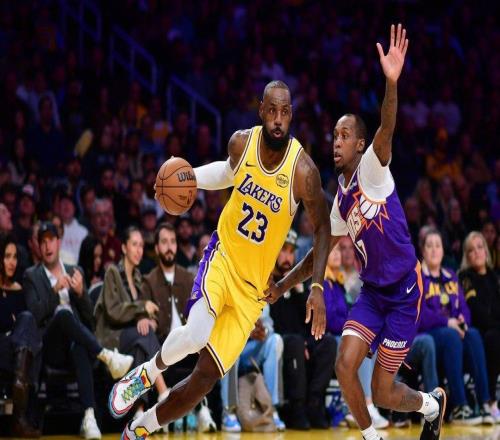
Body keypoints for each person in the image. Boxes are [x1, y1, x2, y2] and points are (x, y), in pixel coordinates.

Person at [109, 79, 331, 438]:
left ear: (291, 115)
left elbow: (323, 230)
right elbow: (226, 174)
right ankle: (147, 373)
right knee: (197, 333)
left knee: (204, 380)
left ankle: (138, 429)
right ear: (261, 110)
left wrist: (313, 286)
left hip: (252, 292)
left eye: (284, 112)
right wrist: (185, 179)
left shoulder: (303, 172)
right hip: (223, 257)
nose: (277, 119)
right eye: (271, 111)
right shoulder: (242, 143)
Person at [265, 25, 446, 440]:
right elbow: (318, 252)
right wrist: (283, 285)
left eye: (345, 136)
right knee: (344, 365)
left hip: (404, 293)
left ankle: (431, 405)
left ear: (361, 145)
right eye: (334, 136)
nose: (336, 142)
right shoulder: (340, 202)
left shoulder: (373, 168)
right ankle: (371, 437)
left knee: (382, 391)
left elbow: (387, 125)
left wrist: (391, 82)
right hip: (373, 294)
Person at [23, 222, 134, 440]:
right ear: (38, 245)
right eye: (43, 241)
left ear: (59, 242)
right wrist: (55, 291)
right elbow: (34, 315)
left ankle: (89, 417)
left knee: (80, 347)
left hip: (75, 345)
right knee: (64, 315)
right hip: (50, 347)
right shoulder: (31, 275)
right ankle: (107, 356)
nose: (47, 246)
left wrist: (81, 293)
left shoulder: (75, 271)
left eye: (51, 240)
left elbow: (90, 319)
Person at [419, 228, 493, 425]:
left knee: (473, 334)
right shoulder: (418, 277)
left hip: (453, 330)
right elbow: (419, 314)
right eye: (429, 246)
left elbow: (464, 308)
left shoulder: (451, 276)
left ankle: (485, 402)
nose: (434, 250)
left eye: (437, 245)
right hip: (429, 334)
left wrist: (462, 320)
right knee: (451, 337)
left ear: (443, 250)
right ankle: (460, 406)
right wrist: (447, 322)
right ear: (423, 251)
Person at [94, 227, 168, 421]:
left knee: (141, 345)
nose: (139, 250)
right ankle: (163, 392)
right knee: (144, 335)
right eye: (134, 245)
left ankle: (138, 411)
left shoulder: (138, 278)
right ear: (124, 248)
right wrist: (142, 308)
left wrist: (149, 320)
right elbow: (114, 311)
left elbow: (145, 313)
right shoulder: (112, 272)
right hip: (112, 338)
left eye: (141, 246)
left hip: (132, 338)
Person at [270, 230, 336, 430]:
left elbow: (309, 322)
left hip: (300, 340)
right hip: (281, 341)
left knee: (328, 343)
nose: (287, 257)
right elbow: (275, 324)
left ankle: (314, 403)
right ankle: (296, 407)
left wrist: (298, 291)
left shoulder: (300, 284)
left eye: (291, 252)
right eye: (283, 251)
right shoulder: (268, 282)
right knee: (295, 343)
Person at [323, 245, 388, 429]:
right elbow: (329, 320)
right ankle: (366, 405)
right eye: (333, 250)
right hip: (329, 338)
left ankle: (373, 403)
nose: (337, 254)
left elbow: (346, 314)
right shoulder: (323, 282)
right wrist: (353, 326)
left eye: (338, 250)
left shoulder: (338, 282)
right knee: (362, 345)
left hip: (341, 334)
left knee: (375, 345)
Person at [220, 304, 285, 432]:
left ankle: (271, 409)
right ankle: (228, 412)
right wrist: (247, 332)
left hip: (253, 350)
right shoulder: (230, 293)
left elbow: (268, 325)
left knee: (275, 340)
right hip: (232, 344)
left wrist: (264, 332)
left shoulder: (261, 294)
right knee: (230, 343)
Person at [0, 235, 41, 437]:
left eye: (15, 257)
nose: (12, 262)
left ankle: (19, 380)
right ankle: (19, 417)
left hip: (15, 353)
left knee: (26, 317)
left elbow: (25, 325)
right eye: (7, 256)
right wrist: (11, 323)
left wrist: (13, 323)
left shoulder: (19, 290)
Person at [459, 231, 500, 423]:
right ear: (467, 256)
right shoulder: (465, 277)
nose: (477, 252)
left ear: (486, 250)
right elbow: (475, 310)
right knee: (493, 338)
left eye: (480, 247)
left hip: (495, 329)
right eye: (471, 250)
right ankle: (490, 400)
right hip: (477, 332)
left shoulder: (495, 277)